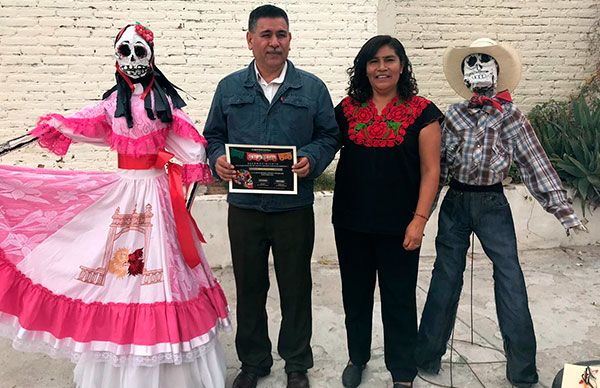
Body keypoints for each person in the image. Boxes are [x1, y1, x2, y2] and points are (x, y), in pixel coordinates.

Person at [0, 23, 230, 388]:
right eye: (125, 51)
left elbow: (192, 148)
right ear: (116, 58)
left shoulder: (164, 105)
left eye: (140, 51)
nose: (133, 60)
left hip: (157, 197)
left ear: (152, 56)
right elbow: (79, 124)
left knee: (158, 276)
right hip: (124, 192)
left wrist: (189, 182)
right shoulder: (112, 106)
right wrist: (34, 134)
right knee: (116, 277)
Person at [415, 38, 588, 388]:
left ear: (497, 72)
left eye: (485, 63)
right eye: (472, 64)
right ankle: (427, 356)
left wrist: (564, 212)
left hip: (493, 203)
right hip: (457, 202)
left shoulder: (511, 117)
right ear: (464, 76)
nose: (478, 68)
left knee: (509, 278)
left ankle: (522, 371)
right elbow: (437, 167)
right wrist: (420, 214)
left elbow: (534, 162)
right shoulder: (453, 115)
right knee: (445, 276)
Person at [203, 5, 339, 388]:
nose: (274, 42)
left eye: (281, 35)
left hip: (293, 207)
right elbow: (212, 135)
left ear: (290, 40)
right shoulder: (229, 88)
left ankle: (296, 363)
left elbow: (329, 135)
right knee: (249, 285)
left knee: (295, 285)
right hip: (245, 207)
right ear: (250, 40)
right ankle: (254, 361)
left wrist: (313, 158)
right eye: (265, 35)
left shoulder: (311, 88)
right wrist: (218, 160)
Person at [332, 35, 442, 388]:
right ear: (364, 69)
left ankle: (402, 371)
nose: (382, 68)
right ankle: (357, 358)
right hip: (351, 223)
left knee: (399, 298)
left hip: (401, 226)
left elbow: (431, 172)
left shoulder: (423, 112)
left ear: (402, 65)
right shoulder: (348, 109)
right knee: (356, 296)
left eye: (389, 60)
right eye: (374, 61)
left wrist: (419, 221)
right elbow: (320, 144)